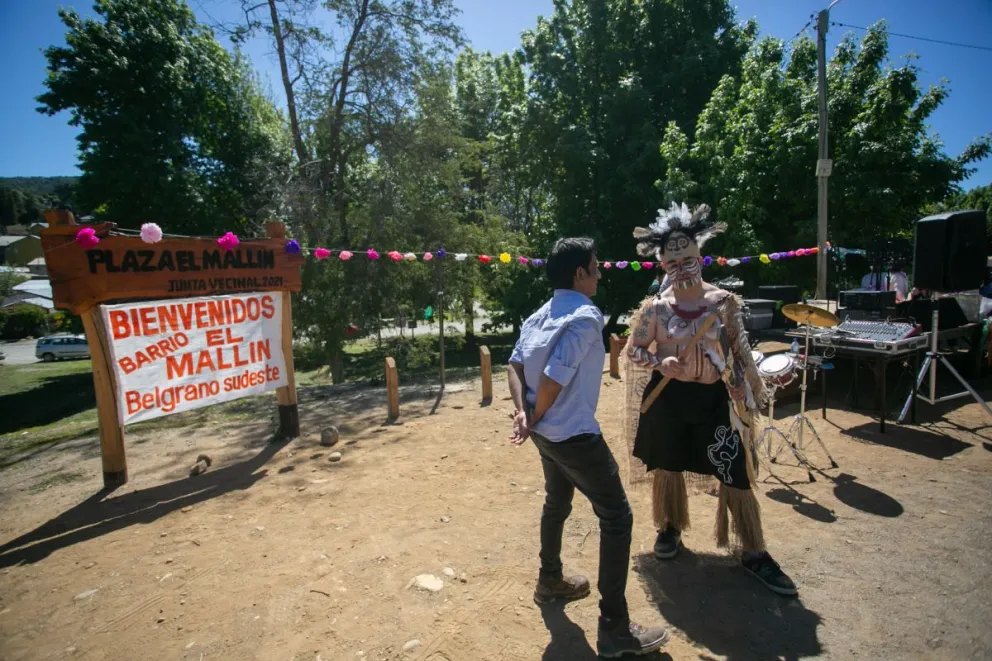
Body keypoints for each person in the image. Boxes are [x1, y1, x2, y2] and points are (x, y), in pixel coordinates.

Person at [623, 202, 797, 597]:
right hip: (668, 402)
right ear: (662, 265)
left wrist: (747, 389)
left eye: (687, 260)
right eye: (672, 263)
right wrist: (658, 360)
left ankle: (753, 550)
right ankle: (669, 528)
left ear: (699, 256)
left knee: (733, 472)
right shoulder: (655, 309)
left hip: (714, 402)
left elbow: (741, 352)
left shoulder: (723, 303)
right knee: (666, 467)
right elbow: (631, 351)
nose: (681, 269)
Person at [508, 237, 669, 658]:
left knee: (556, 502)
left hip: (546, 434)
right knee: (616, 516)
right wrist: (536, 415)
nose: (599, 274)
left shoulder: (537, 316)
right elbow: (553, 379)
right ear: (580, 273)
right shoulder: (583, 317)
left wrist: (524, 415)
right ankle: (615, 627)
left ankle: (550, 580)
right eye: (596, 268)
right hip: (573, 434)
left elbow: (514, 365)